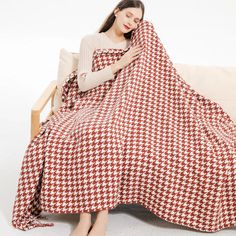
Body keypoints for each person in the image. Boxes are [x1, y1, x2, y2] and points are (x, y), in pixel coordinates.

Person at [70, 1, 145, 236]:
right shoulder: (91, 40)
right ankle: (84, 217)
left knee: (109, 131)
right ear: (117, 11)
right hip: (89, 101)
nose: (130, 22)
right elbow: (83, 83)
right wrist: (120, 63)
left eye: (136, 20)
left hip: (119, 104)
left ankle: (101, 215)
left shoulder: (134, 45)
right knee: (90, 129)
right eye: (128, 15)